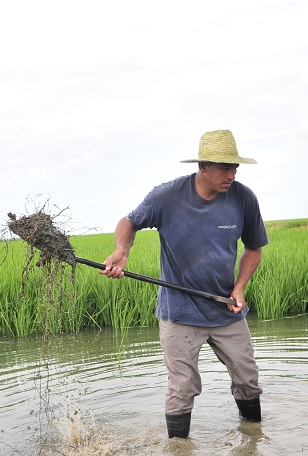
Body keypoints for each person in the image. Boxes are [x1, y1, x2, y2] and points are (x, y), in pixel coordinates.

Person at [100, 129, 269, 439]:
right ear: (202, 166)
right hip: (179, 312)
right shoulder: (166, 196)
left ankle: (254, 441)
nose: (231, 174)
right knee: (182, 387)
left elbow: (254, 247)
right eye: (224, 167)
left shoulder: (244, 198)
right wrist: (122, 250)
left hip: (226, 309)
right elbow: (129, 221)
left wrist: (239, 288)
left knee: (247, 378)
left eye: (235, 167)